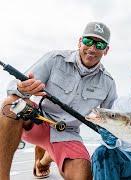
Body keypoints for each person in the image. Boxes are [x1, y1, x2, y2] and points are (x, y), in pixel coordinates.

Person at [0, 21, 117, 180]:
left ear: (106, 50)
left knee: (83, 176)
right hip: (37, 121)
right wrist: (22, 89)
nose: (92, 48)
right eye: (88, 41)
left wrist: (111, 131)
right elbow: (13, 87)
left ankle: (44, 159)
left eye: (100, 44)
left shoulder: (108, 83)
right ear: (79, 41)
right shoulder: (55, 58)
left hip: (68, 134)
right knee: (10, 105)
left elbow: (113, 118)